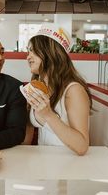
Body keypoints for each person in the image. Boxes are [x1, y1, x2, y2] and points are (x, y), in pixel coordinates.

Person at [24, 24, 91, 155]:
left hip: (68, 168)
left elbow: (82, 146)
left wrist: (49, 114)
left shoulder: (74, 90)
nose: (28, 57)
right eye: (28, 51)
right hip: (43, 166)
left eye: (33, 51)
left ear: (49, 53)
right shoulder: (39, 87)